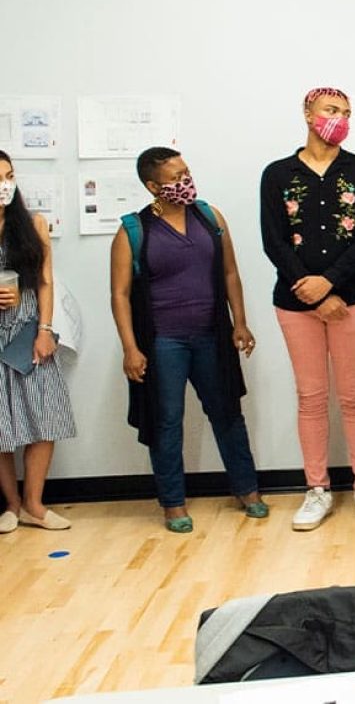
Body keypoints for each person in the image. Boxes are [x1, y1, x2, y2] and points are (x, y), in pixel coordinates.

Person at [110, 148, 265, 533]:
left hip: (211, 336)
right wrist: (131, 348)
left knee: (227, 413)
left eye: (187, 172)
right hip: (163, 342)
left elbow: (230, 273)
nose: (185, 182)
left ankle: (247, 490)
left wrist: (240, 323)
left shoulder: (210, 218)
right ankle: (173, 503)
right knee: (167, 422)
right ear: (152, 186)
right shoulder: (133, 229)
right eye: (175, 178)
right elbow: (120, 295)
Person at [260, 88, 355, 532]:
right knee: (311, 397)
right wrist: (313, 292)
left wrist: (331, 283)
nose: (340, 118)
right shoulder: (278, 174)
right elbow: (273, 241)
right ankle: (317, 488)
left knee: (354, 395)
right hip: (295, 302)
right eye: (332, 110)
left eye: (347, 113)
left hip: (352, 298)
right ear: (308, 114)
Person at [0, 153, 74, 533]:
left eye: (9, 176)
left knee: (45, 418)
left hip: (28, 331)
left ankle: (34, 503)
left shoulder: (32, 224)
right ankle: (11, 505)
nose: (5, 185)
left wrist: (45, 329)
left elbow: (45, 281)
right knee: (1, 428)